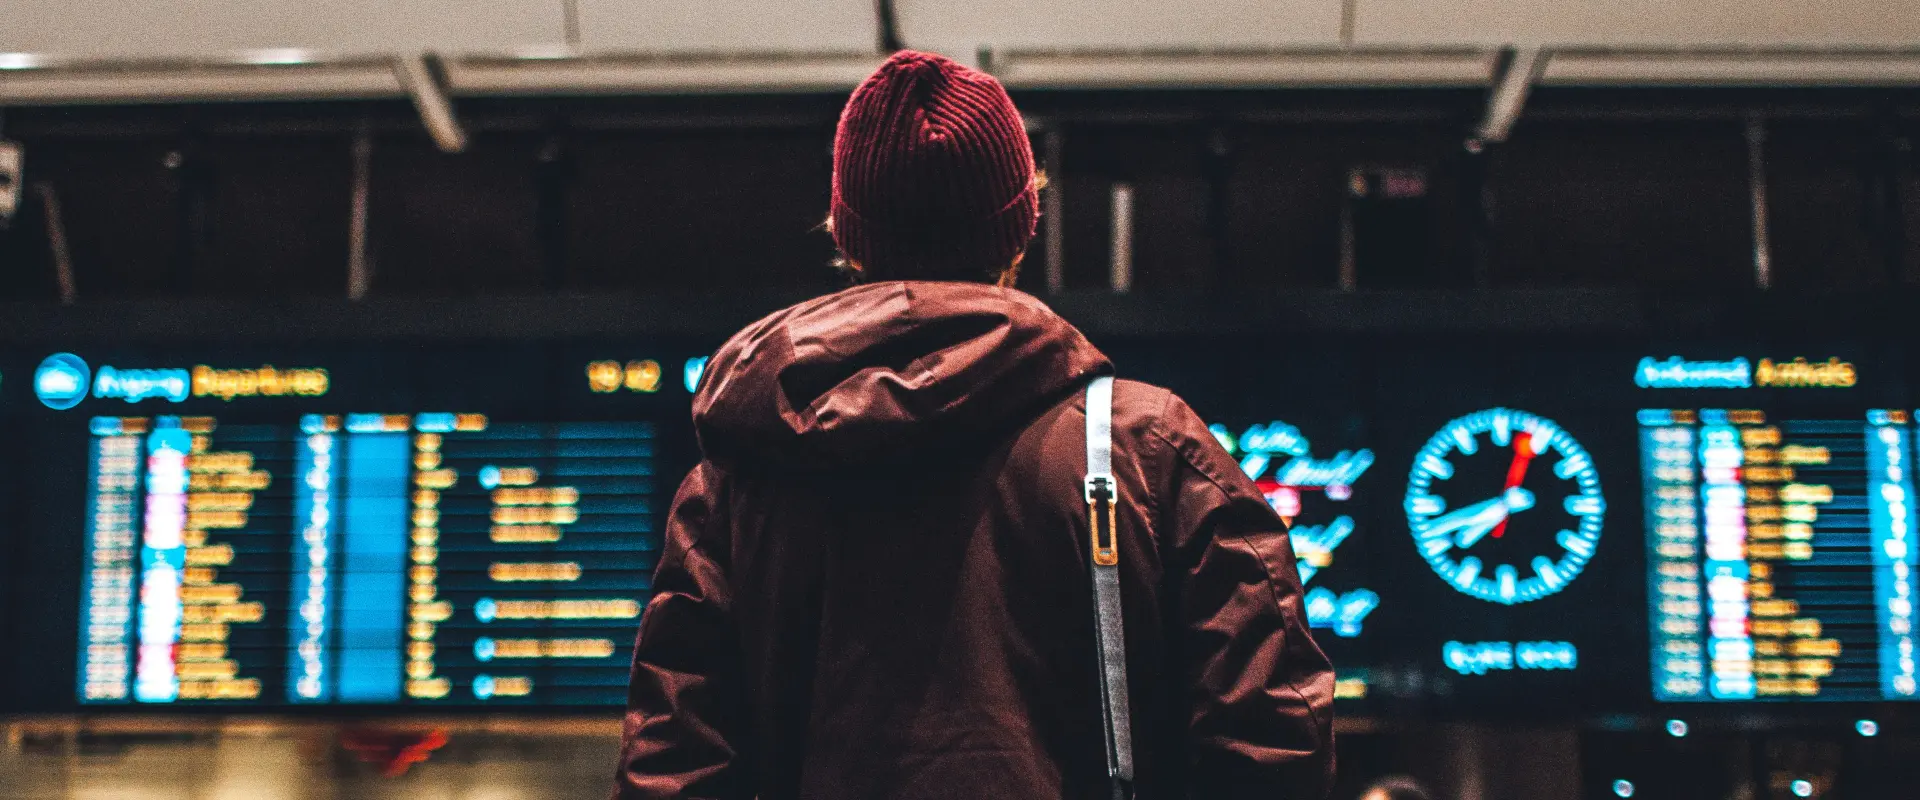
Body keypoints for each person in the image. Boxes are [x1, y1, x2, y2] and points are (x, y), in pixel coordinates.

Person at [612, 49, 1334, 800]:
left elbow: (674, 769)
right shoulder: (1149, 451)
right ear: (1019, 228)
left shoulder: (743, 477)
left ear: (846, 234)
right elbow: (1271, 743)